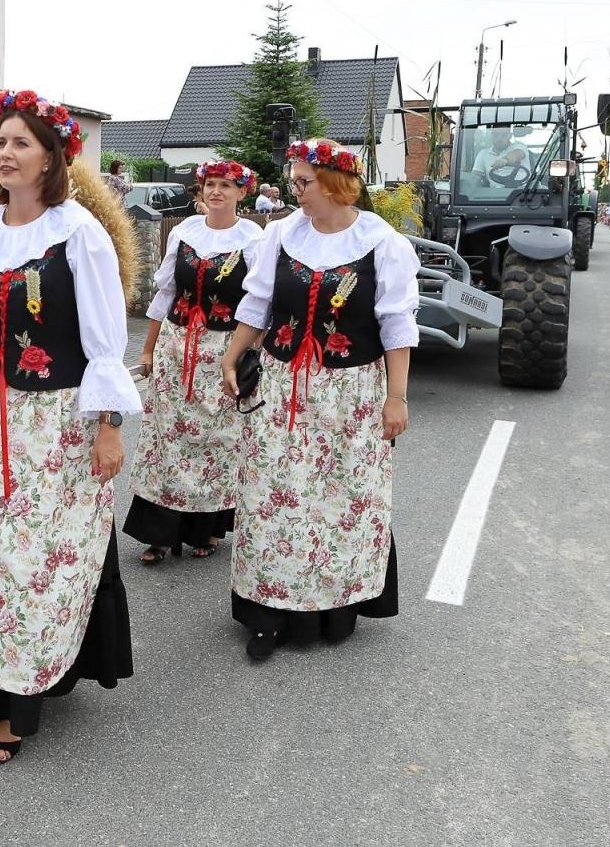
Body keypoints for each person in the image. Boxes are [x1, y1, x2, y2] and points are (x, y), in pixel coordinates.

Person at [0, 88, 140, 764]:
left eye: (21, 142)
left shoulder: (79, 234)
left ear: (52, 157)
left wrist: (109, 428)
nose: (6, 154)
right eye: (1, 142)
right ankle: (2, 676)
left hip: (58, 421)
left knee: (41, 560)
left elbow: (105, 343)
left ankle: (21, 695)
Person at [219, 138, 417, 663]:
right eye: (295, 180)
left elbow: (397, 327)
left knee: (340, 500)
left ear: (336, 185)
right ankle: (266, 614)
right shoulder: (282, 234)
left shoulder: (383, 244)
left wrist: (396, 398)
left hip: (351, 394)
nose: (295, 190)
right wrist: (231, 354)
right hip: (283, 386)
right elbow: (258, 302)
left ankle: (333, 609)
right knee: (272, 494)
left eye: (304, 182)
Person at [125, 159, 264, 564]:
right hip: (175, 347)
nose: (216, 191)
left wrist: (246, 354)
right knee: (166, 437)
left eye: (225, 185)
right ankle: (160, 533)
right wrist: (148, 349)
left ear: (242, 192)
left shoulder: (253, 238)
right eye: (209, 184)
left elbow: (258, 306)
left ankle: (206, 527)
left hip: (223, 349)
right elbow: (165, 295)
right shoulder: (184, 232)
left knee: (215, 440)